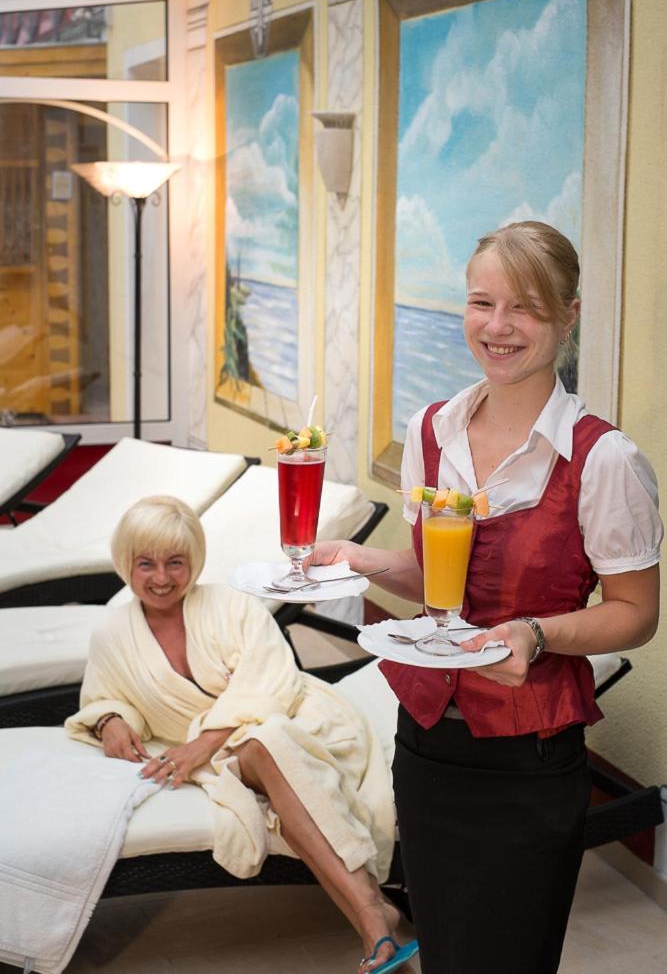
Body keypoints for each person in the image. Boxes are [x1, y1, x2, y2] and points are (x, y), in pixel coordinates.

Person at [312, 221, 662, 973]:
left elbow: (637, 614)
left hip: (527, 760)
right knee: (446, 953)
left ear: (568, 315)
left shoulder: (603, 458)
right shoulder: (430, 429)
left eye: (525, 307)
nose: (497, 326)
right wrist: (363, 560)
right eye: (482, 303)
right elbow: (433, 577)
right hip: (425, 745)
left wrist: (536, 633)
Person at [65, 495, 418, 974]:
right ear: (125, 563)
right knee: (265, 748)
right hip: (233, 755)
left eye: (175, 562)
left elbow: (272, 682)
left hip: (300, 721)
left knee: (268, 741)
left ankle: (372, 921)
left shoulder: (231, 606)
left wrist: (201, 744)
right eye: (146, 564)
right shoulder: (112, 634)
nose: (162, 578)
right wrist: (111, 720)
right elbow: (102, 696)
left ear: (195, 560)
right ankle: (375, 913)